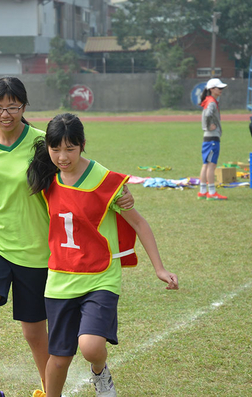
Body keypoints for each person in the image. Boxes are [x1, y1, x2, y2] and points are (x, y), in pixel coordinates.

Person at [0, 77, 133, 397]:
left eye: (13, 106)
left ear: (24, 107)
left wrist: (120, 193)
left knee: (35, 333)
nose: (6, 113)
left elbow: (79, 169)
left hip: (37, 250)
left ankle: (49, 389)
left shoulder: (43, 143)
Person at [26, 113, 179, 397]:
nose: (62, 156)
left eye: (70, 149)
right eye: (55, 148)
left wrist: (159, 268)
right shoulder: (45, 176)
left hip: (101, 277)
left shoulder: (106, 181)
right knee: (58, 359)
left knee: (91, 346)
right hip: (59, 280)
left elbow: (138, 222)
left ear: (83, 144)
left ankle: (100, 373)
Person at [198, 78, 228, 201]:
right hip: (212, 138)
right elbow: (208, 115)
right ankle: (212, 192)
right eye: (219, 88)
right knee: (211, 165)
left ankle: (203, 191)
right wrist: (208, 125)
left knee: (206, 164)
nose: (221, 90)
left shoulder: (208, 100)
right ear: (212, 89)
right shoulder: (211, 102)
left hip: (208, 138)